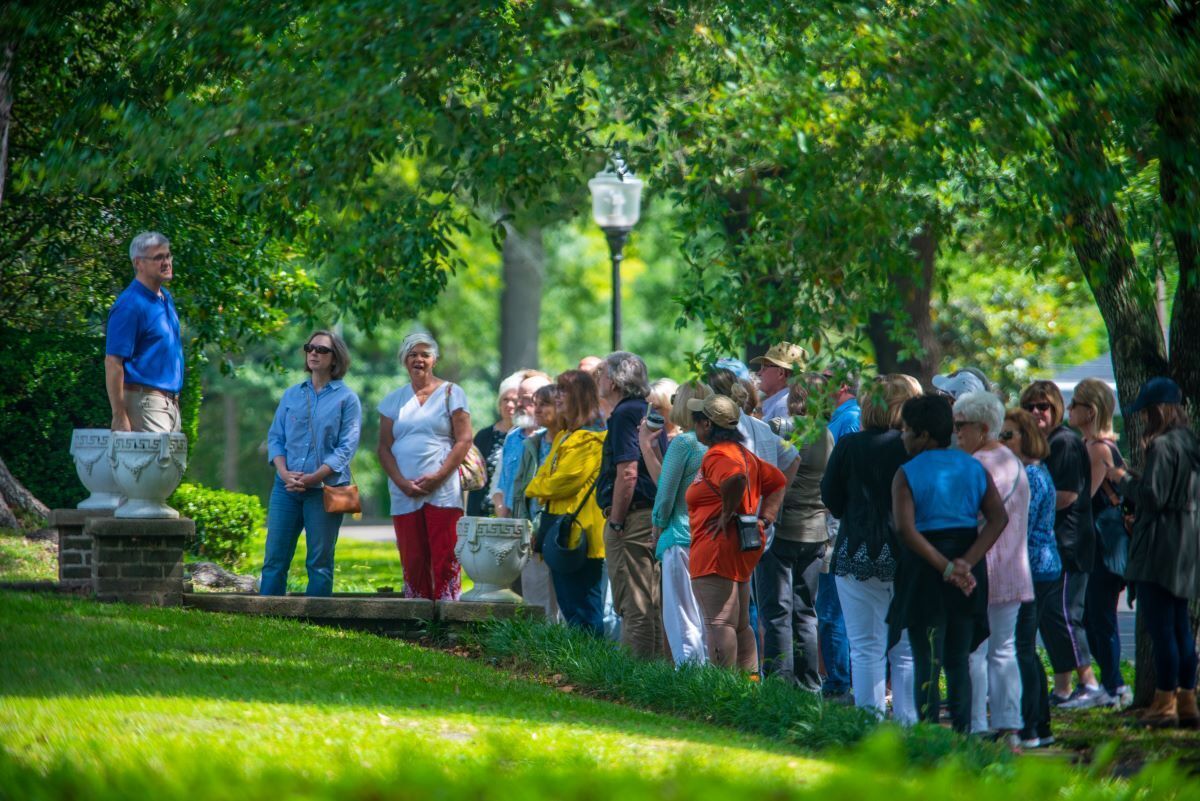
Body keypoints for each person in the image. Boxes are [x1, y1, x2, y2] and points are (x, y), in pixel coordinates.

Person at [891, 394, 1008, 732]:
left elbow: (905, 529)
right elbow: (998, 518)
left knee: (927, 659)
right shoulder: (974, 466)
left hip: (926, 568)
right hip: (967, 562)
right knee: (958, 660)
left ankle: (928, 736)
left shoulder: (906, 473)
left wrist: (944, 567)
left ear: (924, 435)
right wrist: (966, 564)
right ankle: (963, 734)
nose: (902, 437)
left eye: (907, 430)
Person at [821, 373, 922, 721]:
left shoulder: (851, 445)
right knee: (907, 650)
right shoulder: (916, 449)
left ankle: (868, 726)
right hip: (910, 554)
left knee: (865, 648)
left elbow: (830, 497)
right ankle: (910, 727)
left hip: (858, 552)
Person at [1107, 377, 1200, 729]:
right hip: (1187, 545)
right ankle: (1187, 701)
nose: (1144, 418)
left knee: (1161, 630)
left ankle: (1164, 704)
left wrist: (1122, 479)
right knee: (1180, 628)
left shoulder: (1162, 445)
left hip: (1161, 546)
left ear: (1159, 410)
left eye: (1147, 411)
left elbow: (1154, 497)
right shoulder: (1189, 443)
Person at [686, 394, 787, 669]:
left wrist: (726, 513)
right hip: (739, 547)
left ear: (707, 425)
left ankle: (722, 690)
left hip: (717, 548)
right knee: (740, 625)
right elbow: (778, 480)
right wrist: (764, 519)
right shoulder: (743, 452)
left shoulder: (719, 454)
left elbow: (735, 478)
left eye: (697, 421)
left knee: (719, 622)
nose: (694, 427)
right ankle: (747, 690)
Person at [954, 392, 1033, 742]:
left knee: (975, 649)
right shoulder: (1012, 460)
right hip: (1013, 568)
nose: (956, 434)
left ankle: (975, 724)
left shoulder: (979, 465)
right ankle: (1010, 726)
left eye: (961, 427)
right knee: (1003, 649)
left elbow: (967, 514)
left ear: (982, 428)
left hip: (981, 568)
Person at [261, 330, 362, 596]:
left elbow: (346, 448)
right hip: (286, 488)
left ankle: (315, 621)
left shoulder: (347, 398)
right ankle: (264, 617)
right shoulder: (292, 394)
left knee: (319, 563)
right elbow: (276, 439)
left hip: (326, 490)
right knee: (274, 559)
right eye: (310, 348)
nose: (314, 353)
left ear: (335, 358)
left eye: (322, 349)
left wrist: (315, 477)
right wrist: (284, 473)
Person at [1019, 380, 1099, 705]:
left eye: (1044, 406)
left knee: (1064, 613)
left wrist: (1026, 510)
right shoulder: (1043, 443)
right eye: (1030, 407)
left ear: (1057, 409)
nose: (1037, 412)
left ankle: (1089, 683)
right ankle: (1064, 686)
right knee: (1050, 617)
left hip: (1069, 543)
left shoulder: (1063, 441)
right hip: (1052, 545)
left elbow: (1065, 496)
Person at [377, 333, 473, 600]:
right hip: (403, 489)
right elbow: (383, 447)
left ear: (434, 360)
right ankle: (417, 614)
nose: (418, 359)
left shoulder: (452, 392)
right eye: (412, 354)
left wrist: (439, 476)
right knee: (413, 555)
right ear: (404, 360)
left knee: (445, 552)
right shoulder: (393, 400)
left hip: (442, 489)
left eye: (425, 354)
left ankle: (447, 612)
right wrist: (402, 482)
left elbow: (464, 439)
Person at [758, 375, 835, 691]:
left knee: (777, 610)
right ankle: (808, 685)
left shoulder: (786, 427)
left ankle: (778, 685)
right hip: (815, 531)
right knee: (806, 611)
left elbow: (761, 435)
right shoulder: (827, 434)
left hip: (784, 528)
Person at [1066, 377, 1131, 709]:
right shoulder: (1100, 446)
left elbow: (1083, 500)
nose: (1068, 409)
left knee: (1099, 616)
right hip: (1106, 544)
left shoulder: (1096, 449)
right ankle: (1111, 684)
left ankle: (1114, 686)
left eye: (1074, 404)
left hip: (1103, 547)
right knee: (1094, 615)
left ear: (1090, 411)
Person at [526, 370, 608, 633]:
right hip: (559, 531)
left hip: (581, 535)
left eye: (564, 390)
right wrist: (542, 485)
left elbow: (561, 481)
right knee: (569, 607)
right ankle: (577, 663)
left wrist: (538, 487)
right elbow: (544, 475)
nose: (558, 396)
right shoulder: (564, 436)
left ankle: (590, 666)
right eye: (557, 390)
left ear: (580, 397)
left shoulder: (591, 438)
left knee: (585, 609)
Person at [597, 351, 667, 658]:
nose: (598, 380)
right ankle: (655, 673)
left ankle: (635, 676)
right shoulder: (644, 409)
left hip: (632, 517)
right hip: (647, 515)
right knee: (649, 599)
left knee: (634, 600)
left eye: (601, 374)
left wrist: (616, 521)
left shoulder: (626, 414)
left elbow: (628, 472)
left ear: (613, 381)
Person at [1002, 408, 1061, 748]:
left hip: (1034, 566)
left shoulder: (1031, 476)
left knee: (1022, 647)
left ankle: (1031, 725)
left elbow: (1017, 524)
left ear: (1025, 437)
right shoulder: (1029, 473)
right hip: (1039, 565)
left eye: (1008, 435)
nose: (1002, 441)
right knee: (1026, 647)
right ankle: (1039, 723)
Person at [649, 381, 712, 666]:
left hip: (680, 535)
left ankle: (689, 680)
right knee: (705, 616)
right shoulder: (716, 444)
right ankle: (709, 675)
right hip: (710, 538)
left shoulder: (684, 443)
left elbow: (665, 493)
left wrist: (657, 526)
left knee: (681, 615)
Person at [105, 231, 185, 433]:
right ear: (138, 263)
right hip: (145, 403)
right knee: (154, 465)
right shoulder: (130, 305)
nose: (166, 262)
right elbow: (113, 363)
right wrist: (119, 415)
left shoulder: (165, 298)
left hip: (170, 404)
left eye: (168, 256)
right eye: (158, 257)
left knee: (172, 466)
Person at [818, 364, 860, 699]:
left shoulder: (849, 419)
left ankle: (839, 683)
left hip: (835, 525)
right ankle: (839, 678)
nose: (819, 384)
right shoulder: (838, 417)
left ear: (843, 385)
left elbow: (845, 476)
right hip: (831, 521)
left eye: (826, 380)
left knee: (833, 610)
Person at [512, 383, 563, 620]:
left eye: (545, 404)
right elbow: (520, 489)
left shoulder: (570, 442)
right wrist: (523, 526)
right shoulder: (532, 444)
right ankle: (539, 652)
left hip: (561, 529)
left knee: (563, 602)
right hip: (531, 532)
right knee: (535, 600)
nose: (538, 409)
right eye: (536, 403)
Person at [490, 371, 553, 518]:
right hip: (513, 524)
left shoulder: (553, 436)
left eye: (524, 399)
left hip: (541, 522)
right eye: (518, 398)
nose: (518, 404)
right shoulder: (513, 436)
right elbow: (502, 483)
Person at [466, 371, 522, 517]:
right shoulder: (484, 436)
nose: (509, 405)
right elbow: (474, 479)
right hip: (483, 514)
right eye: (505, 399)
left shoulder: (526, 436)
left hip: (513, 515)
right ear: (499, 403)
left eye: (515, 400)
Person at [750, 342, 808, 422]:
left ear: (781, 373)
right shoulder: (783, 403)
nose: (759, 373)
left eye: (764, 368)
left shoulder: (783, 407)